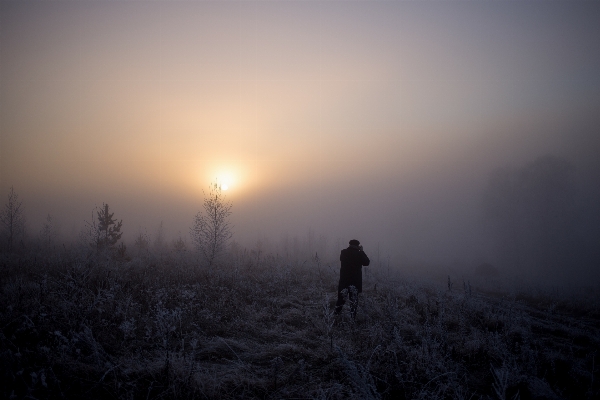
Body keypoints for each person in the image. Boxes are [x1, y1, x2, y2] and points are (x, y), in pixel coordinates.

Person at [335, 239, 370, 318]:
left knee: (340, 300)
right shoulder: (359, 254)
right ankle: (352, 318)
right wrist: (361, 251)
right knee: (353, 301)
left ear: (350, 244)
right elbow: (367, 262)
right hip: (355, 282)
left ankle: (336, 315)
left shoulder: (343, 252)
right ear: (357, 246)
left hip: (344, 280)